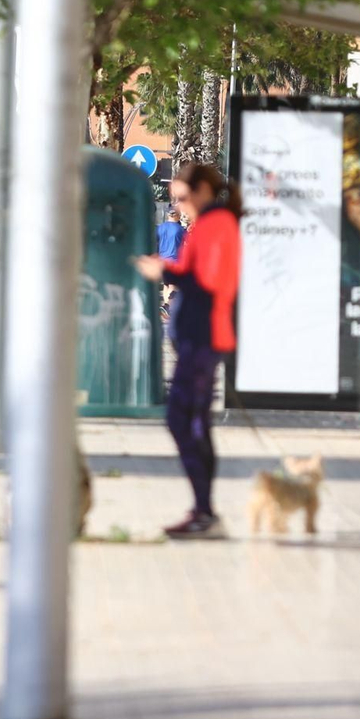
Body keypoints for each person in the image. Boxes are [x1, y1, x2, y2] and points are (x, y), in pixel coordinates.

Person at [132, 162, 243, 541]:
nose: (177, 206)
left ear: (201, 192)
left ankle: (204, 510)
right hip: (199, 336)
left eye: (181, 198)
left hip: (204, 336)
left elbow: (206, 280)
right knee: (193, 422)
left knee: (184, 419)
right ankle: (204, 510)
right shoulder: (211, 225)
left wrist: (164, 270)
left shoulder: (217, 225)